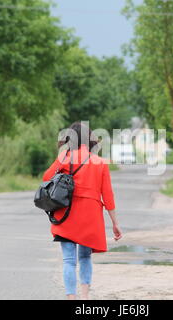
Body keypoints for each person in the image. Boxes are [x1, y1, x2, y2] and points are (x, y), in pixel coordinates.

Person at [42, 122, 122, 300]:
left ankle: (72, 298)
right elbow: (107, 196)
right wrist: (115, 223)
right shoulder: (99, 162)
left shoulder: (65, 157)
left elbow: (46, 178)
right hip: (90, 217)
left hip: (66, 214)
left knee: (69, 260)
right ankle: (84, 298)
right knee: (85, 257)